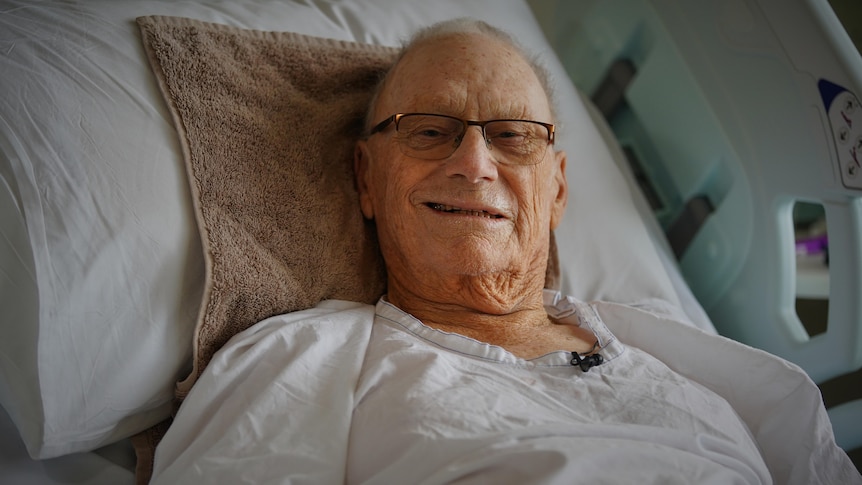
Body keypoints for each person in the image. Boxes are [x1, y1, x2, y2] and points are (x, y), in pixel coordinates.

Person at [150, 18, 860, 484]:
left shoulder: (675, 349)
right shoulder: (306, 362)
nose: (473, 161)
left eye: (514, 135)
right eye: (429, 129)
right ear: (367, 177)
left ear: (555, 188)